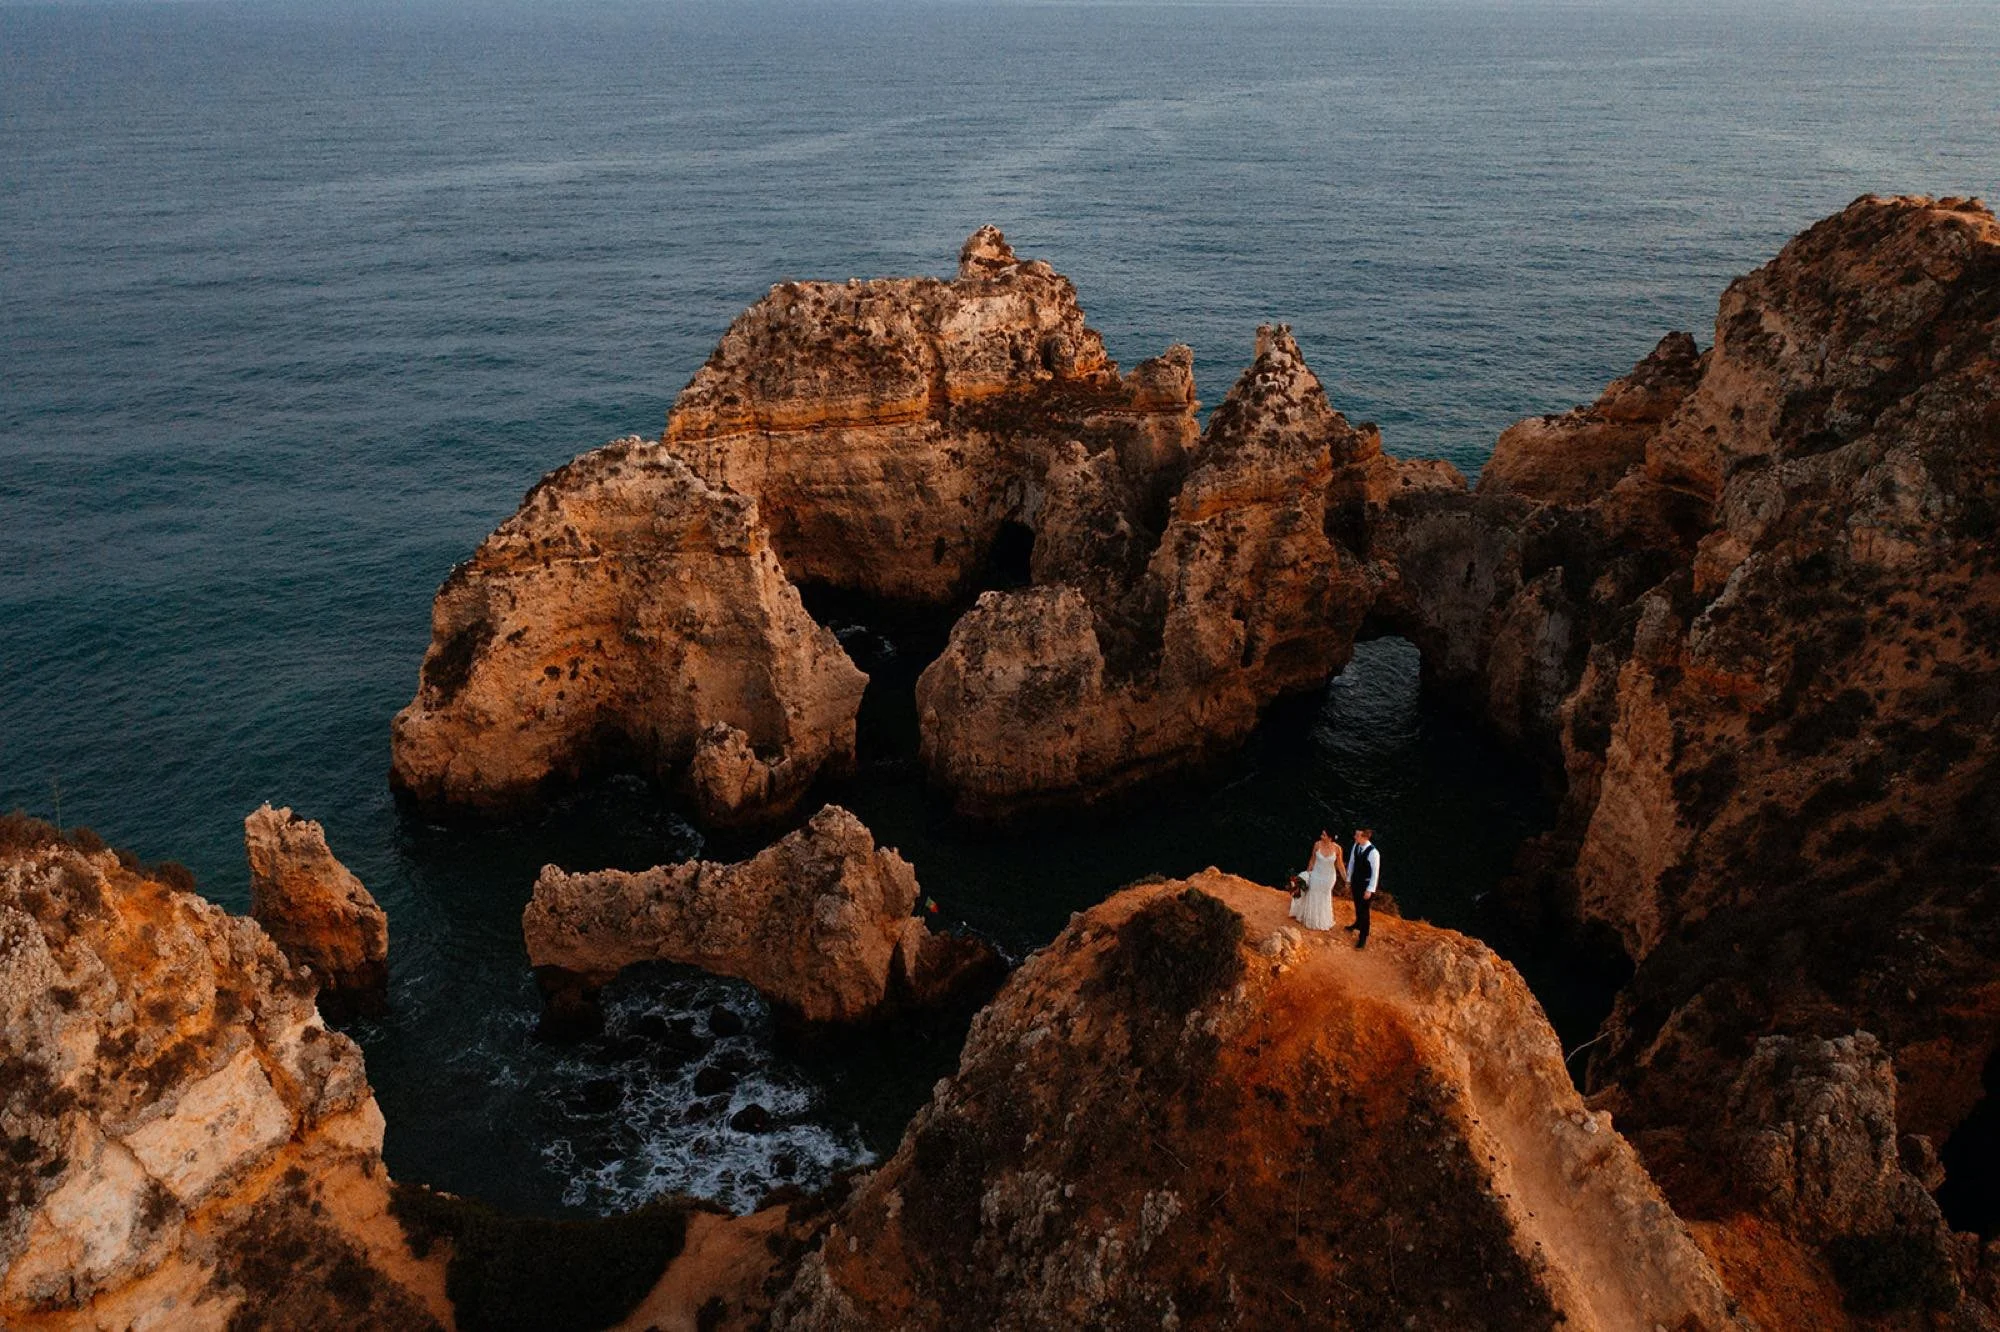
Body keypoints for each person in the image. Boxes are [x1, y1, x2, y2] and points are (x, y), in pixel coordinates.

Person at [1290, 830, 1343, 932]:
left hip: (1329, 878)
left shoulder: (1338, 849)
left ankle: (1323, 920)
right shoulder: (1317, 844)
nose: (1321, 836)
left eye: (1324, 835)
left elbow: (1340, 865)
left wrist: (1346, 879)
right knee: (1313, 894)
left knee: (1324, 897)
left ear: (1330, 837)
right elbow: (1312, 860)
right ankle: (1311, 920)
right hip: (1316, 875)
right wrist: (1307, 873)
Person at [1344, 828, 1381, 949]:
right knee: (1357, 905)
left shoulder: (1373, 853)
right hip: (1356, 882)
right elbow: (1351, 863)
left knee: (1364, 911)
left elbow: (1375, 873)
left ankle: (1363, 936)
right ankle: (1357, 923)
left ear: (1365, 837)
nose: (1355, 837)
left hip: (1365, 886)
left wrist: (1369, 890)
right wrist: (1348, 880)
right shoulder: (1356, 845)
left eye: (1357, 835)